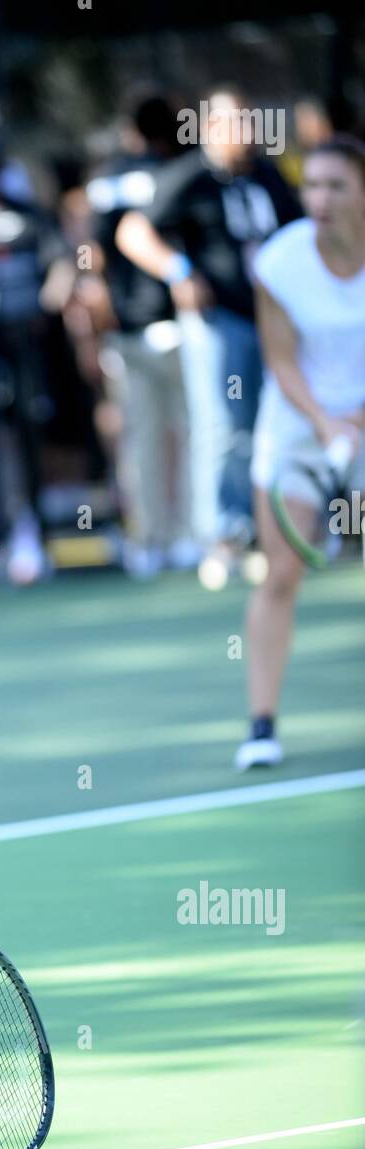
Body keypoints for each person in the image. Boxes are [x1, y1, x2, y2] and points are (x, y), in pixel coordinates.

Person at [116, 87, 301, 584]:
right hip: (221, 321)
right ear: (211, 127)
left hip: (275, 319)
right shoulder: (189, 177)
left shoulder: (268, 175)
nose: (245, 131)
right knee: (225, 427)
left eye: (249, 120)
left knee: (279, 424)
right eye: (233, 121)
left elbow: (298, 234)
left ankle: (279, 530)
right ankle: (224, 535)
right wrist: (179, 271)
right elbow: (132, 232)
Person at [235, 136, 365, 770]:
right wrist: (326, 424)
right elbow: (281, 360)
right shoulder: (281, 261)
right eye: (311, 185)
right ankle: (262, 726)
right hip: (297, 423)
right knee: (281, 572)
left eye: (336, 185)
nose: (320, 199)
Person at [86, 94, 195, 578]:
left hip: (129, 329)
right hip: (175, 322)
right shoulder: (187, 172)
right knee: (189, 436)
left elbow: (92, 254)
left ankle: (149, 540)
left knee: (143, 441)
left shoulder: (109, 177)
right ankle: (187, 536)